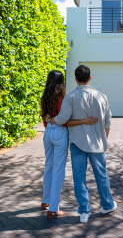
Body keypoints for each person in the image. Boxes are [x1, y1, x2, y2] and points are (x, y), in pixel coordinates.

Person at [47, 65, 116, 223]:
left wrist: (50, 119)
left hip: (77, 144)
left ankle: (84, 211)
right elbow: (108, 120)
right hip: (98, 144)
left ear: (76, 79)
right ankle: (107, 205)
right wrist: (104, 139)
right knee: (101, 176)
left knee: (79, 179)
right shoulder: (102, 96)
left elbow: (62, 120)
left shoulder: (70, 97)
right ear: (90, 78)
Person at [41, 70, 98, 219]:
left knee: (49, 166)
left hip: (47, 132)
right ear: (62, 82)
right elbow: (64, 121)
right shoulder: (62, 98)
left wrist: (50, 124)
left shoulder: (44, 96)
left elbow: (45, 117)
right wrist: (84, 120)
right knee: (58, 171)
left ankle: (45, 201)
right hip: (59, 133)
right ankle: (53, 208)